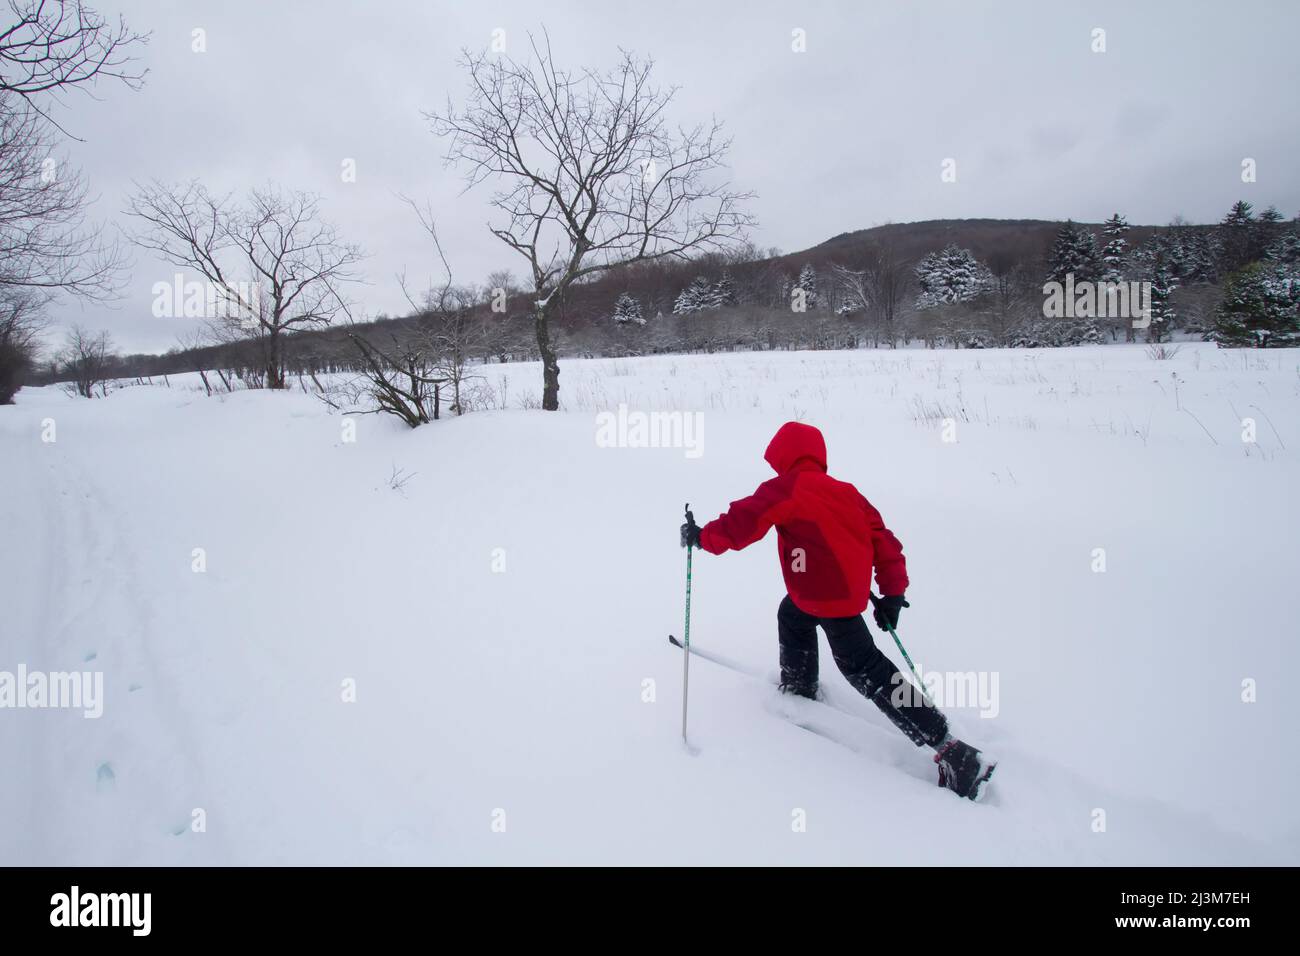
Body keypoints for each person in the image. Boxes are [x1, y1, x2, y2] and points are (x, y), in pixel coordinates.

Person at [680, 421, 994, 801]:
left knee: (864, 669)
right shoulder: (850, 494)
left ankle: (953, 752)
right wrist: (892, 594)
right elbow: (886, 543)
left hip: (824, 596)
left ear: (785, 456)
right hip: (829, 594)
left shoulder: (785, 488)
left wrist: (701, 537)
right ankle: (799, 686)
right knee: (792, 616)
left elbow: (742, 522)